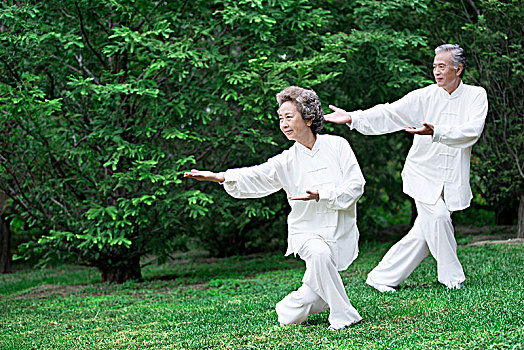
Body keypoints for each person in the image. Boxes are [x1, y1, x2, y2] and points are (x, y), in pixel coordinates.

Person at [184, 86, 365, 330]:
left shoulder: (338, 146)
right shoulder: (287, 159)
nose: (284, 123)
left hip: (339, 229)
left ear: (309, 118)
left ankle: (290, 308)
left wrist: (324, 195)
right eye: (281, 118)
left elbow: (356, 185)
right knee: (319, 254)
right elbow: (258, 174)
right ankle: (344, 315)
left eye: (289, 116)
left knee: (306, 302)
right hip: (306, 230)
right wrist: (221, 177)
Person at [324, 44, 488, 292]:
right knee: (440, 218)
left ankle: (381, 277)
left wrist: (437, 131)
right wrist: (353, 118)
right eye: (434, 66)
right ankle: (453, 279)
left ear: (459, 68)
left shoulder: (476, 95)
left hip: (452, 177)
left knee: (424, 233)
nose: (436, 71)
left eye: (442, 66)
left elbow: (472, 132)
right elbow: (391, 113)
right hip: (422, 173)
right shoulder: (425, 96)